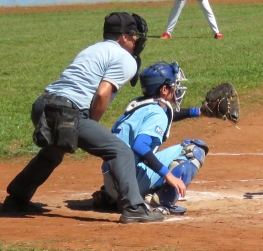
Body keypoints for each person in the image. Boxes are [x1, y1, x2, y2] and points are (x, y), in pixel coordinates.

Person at [1, 12, 163, 224]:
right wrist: (89, 124)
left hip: (42, 105)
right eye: (134, 36)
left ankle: (17, 199)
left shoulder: (93, 49)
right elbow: (103, 93)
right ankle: (134, 207)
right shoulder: (125, 58)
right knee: (119, 150)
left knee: (53, 153)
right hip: (66, 112)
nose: (136, 40)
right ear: (124, 36)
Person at [93, 61, 209, 215]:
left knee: (146, 155)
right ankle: (161, 202)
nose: (177, 88)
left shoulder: (140, 105)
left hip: (113, 181)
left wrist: (198, 112)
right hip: (130, 183)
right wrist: (168, 176)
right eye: (174, 85)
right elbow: (140, 146)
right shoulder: (157, 112)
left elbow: (168, 116)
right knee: (194, 149)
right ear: (164, 89)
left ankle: (110, 197)